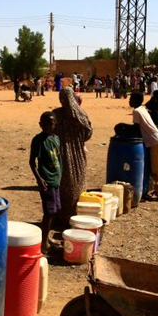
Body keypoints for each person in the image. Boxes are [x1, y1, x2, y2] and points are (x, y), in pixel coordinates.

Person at [53, 87, 93, 224]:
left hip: (61, 154)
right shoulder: (81, 114)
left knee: (62, 184)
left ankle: (61, 217)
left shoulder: (56, 114)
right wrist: (78, 140)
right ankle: (76, 217)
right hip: (78, 154)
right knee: (77, 182)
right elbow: (88, 133)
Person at [129, 91, 158, 199]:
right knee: (152, 167)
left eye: (131, 99)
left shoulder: (136, 111)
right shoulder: (142, 109)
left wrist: (123, 127)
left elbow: (136, 128)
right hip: (155, 140)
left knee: (157, 168)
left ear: (136, 101)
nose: (129, 101)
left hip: (154, 141)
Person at [30, 111, 61, 253]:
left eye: (52, 123)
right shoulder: (38, 140)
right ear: (40, 125)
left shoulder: (56, 139)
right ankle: (43, 243)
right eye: (46, 124)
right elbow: (32, 162)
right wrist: (39, 179)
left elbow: (59, 159)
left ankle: (47, 237)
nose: (49, 126)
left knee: (54, 211)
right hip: (46, 181)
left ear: (55, 124)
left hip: (56, 180)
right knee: (48, 212)